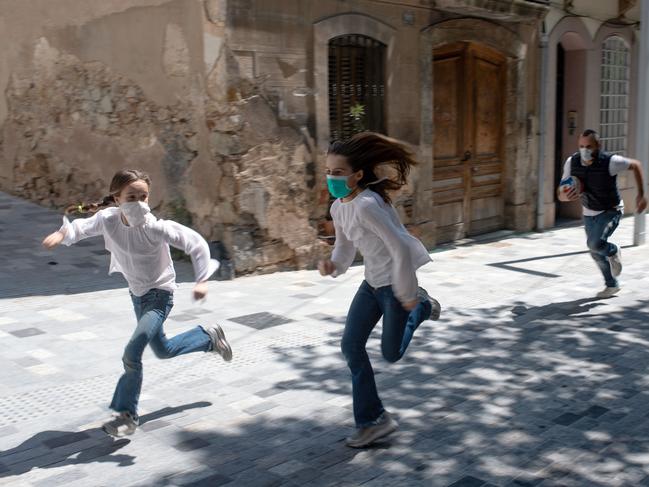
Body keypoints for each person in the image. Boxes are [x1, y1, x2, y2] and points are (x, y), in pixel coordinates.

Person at [42, 169, 232, 436]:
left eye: (143, 196)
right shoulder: (108, 219)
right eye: (132, 196)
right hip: (137, 295)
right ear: (117, 198)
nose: (139, 202)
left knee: (132, 353)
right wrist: (62, 235)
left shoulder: (155, 227)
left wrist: (201, 279)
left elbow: (196, 244)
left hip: (160, 296)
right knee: (163, 349)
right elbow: (81, 227)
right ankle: (209, 338)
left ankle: (126, 415)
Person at [318, 132, 441, 448]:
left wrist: (408, 294)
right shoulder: (339, 207)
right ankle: (373, 421)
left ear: (357, 175)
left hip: (395, 285)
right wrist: (334, 265)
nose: (331, 177)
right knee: (351, 346)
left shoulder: (368, 205)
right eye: (329, 171)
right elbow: (345, 248)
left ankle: (424, 307)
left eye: (338, 172)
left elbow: (400, 247)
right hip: (371, 284)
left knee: (391, 353)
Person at [558, 129, 647, 298]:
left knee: (595, 244)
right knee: (595, 251)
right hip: (589, 211)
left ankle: (613, 251)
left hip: (610, 209)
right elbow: (561, 191)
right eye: (581, 146)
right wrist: (565, 196)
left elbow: (636, 165)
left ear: (598, 145)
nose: (585, 150)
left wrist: (641, 194)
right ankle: (612, 285)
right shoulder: (572, 162)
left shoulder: (610, 161)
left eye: (589, 146)